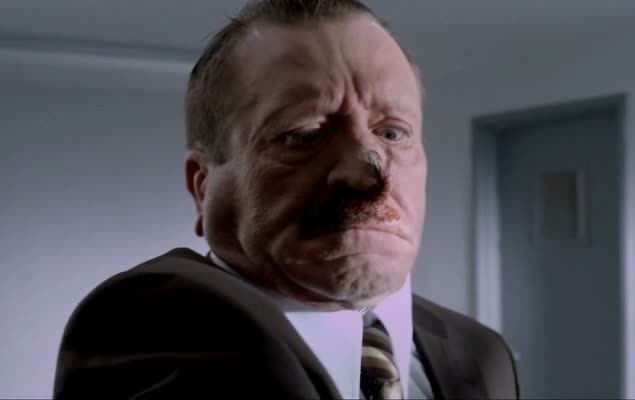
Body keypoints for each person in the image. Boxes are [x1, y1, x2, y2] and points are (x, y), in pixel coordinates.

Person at [53, 0, 519, 398]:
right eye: (306, 134)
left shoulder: (481, 353)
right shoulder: (158, 325)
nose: (368, 177)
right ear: (203, 186)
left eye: (392, 133)